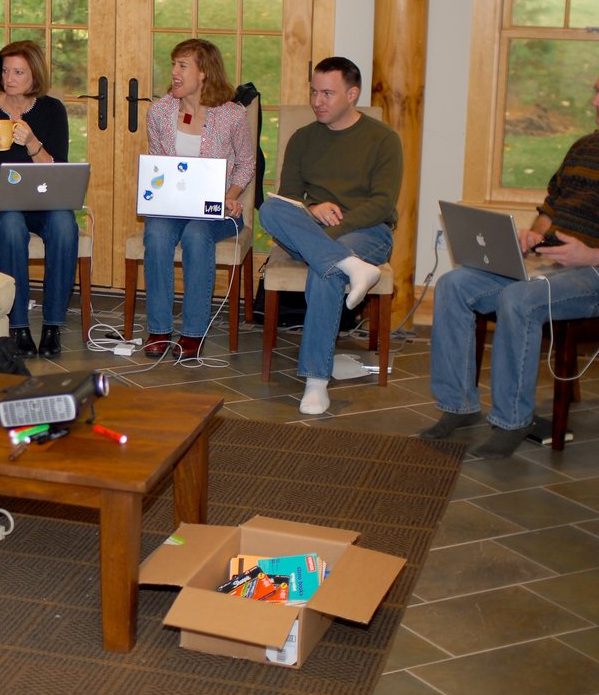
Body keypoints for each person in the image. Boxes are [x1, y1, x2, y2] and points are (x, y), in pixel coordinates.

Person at [421, 77, 599, 458]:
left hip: (593, 273)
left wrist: (590, 256)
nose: (595, 102)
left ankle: (512, 421)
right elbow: (552, 206)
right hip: (556, 261)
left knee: (519, 299)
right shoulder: (584, 147)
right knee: (454, 284)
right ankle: (458, 405)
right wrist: (533, 237)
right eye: (596, 92)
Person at [257, 57, 403, 415]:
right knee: (269, 209)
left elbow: (383, 204)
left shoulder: (384, 140)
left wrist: (333, 234)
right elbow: (287, 198)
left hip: (368, 231)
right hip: (311, 229)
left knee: (328, 268)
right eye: (313, 92)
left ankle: (316, 381)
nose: (317, 101)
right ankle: (352, 266)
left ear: (352, 94)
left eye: (327, 93)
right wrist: (312, 209)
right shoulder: (303, 139)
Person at [0, 40, 78, 359]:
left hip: (37, 202)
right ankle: (18, 325)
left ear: (34, 74)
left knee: (65, 222)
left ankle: (52, 325)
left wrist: (33, 144)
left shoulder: (51, 110)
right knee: (10, 221)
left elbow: (59, 172)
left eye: (19, 72)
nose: (9, 78)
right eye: (6, 70)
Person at [141, 38, 255, 360]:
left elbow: (246, 163)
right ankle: (160, 328)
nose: (174, 72)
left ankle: (193, 333)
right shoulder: (160, 111)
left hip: (216, 208)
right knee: (158, 233)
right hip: (174, 207)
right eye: (173, 64)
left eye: (182, 66)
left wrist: (230, 197)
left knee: (196, 234)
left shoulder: (231, 115)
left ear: (203, 73)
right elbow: (160, 165)